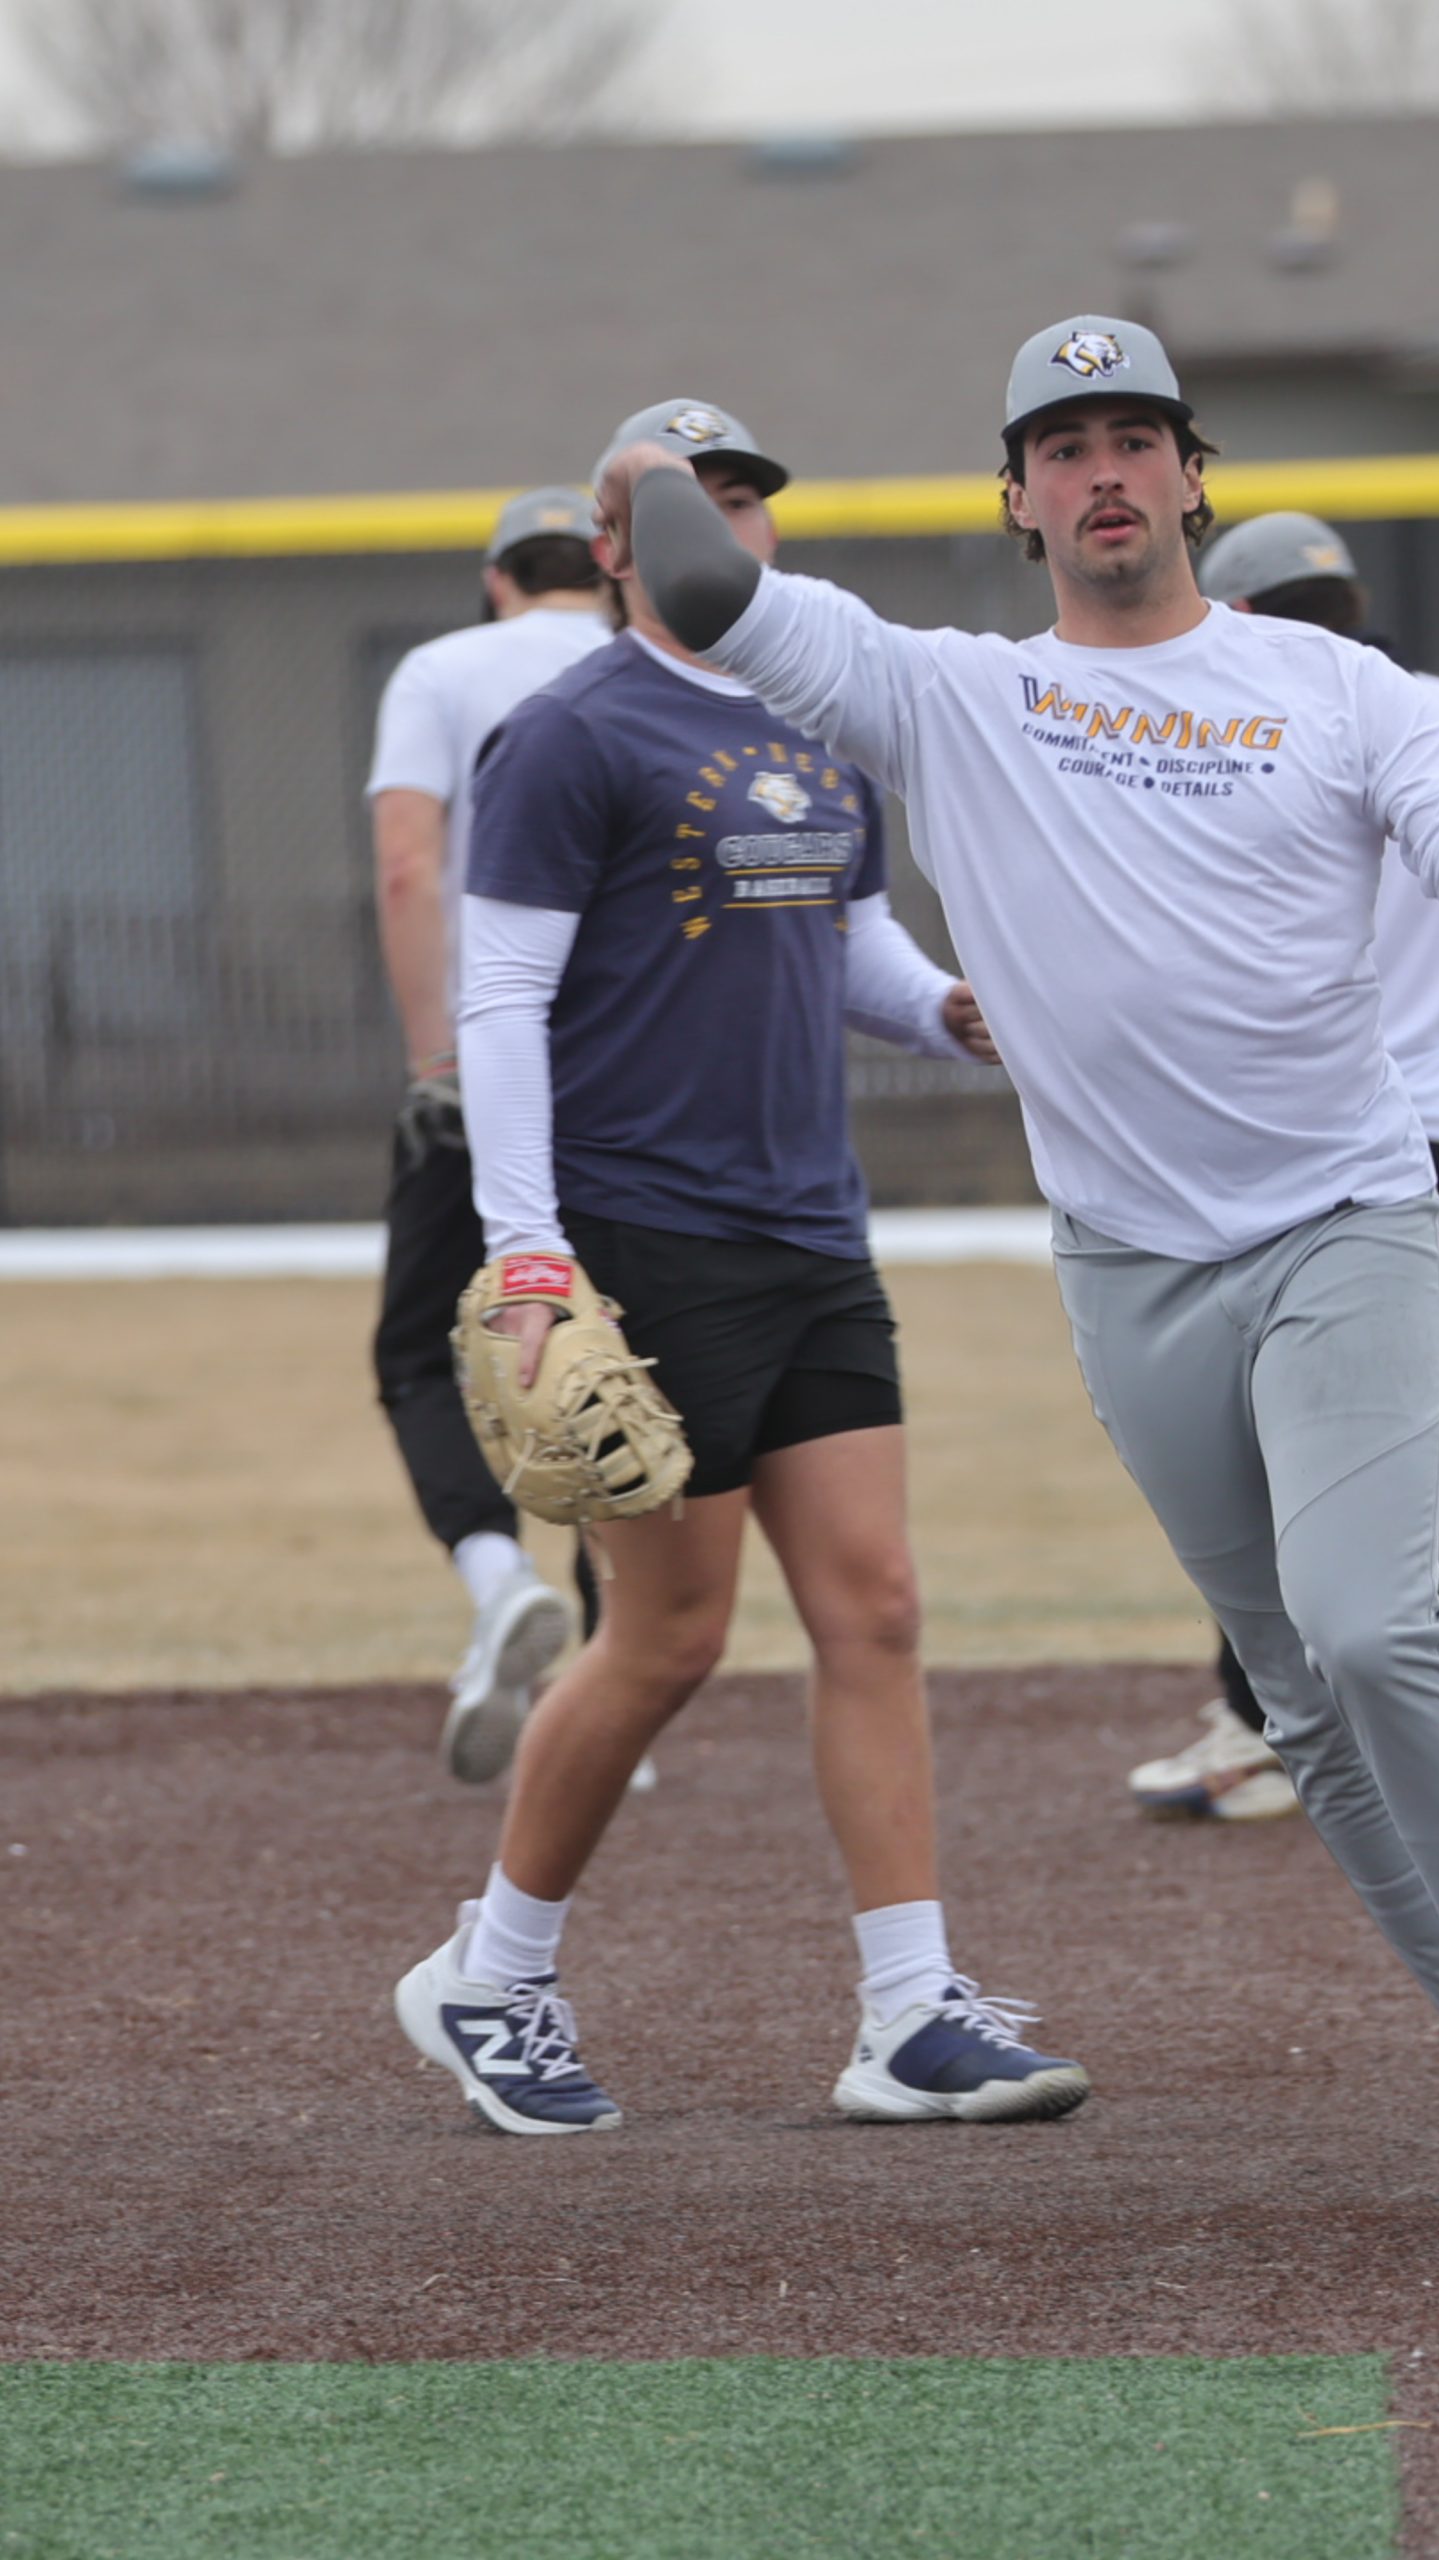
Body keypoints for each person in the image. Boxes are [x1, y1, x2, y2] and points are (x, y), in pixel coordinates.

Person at [600, 319, 1439, 2236]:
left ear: (1196, 476)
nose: (1104, 472)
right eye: (1062, 445)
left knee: (1370, 1630)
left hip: (1342, 1222)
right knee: (1293, 1697)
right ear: (1016, 500)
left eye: (1136, 438)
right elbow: (694, 579)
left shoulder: (1338, 687)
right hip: (1130, 1269)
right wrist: (657, 463)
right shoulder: (948, 696)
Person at [393, 397, 1089, 2137]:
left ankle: (911, 2013)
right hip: (646, 1232)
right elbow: (498, 1004)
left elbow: (844, 933)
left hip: (807, 1227)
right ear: (613, 547)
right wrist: (532, 1251)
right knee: (671, 1635)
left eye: (745, 498)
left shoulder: (808, 711)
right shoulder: (570, 733)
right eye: (684, 504)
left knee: (878, 1608)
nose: (727, 525)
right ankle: (493, 1971)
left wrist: (945, 1010)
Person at [1126, 510, 1439, 1829]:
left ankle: (1267, 1725)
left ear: (1239, 615)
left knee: (1261, 1442)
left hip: (1307, 1147)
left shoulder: (1229, 733)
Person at [366, 488, 609, 1784]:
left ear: (496, 576)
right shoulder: (646, 663)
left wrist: (435, 1060)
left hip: (489, 1063)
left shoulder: (443, 667)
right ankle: (611, 1696)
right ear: (605, 570)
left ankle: (498, 1572)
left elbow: (411, 864)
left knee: (419, 1354)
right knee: (618, 1358)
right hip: (628, 1077)